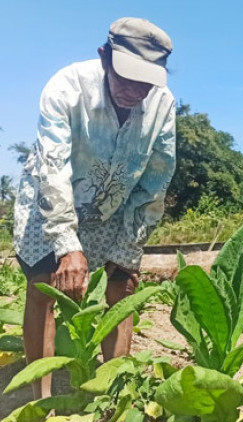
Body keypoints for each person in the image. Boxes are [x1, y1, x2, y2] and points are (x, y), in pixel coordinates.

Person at [13, 17, 176, 398]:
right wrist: (68, 245)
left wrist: (130, 250)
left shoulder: (163, 105)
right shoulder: (66, 88)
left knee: (121, 288)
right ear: (104, 57)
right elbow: (53, 168)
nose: (136, 90)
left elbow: (157, 178)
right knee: (44, 289)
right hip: (49, 203)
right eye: (127, 77)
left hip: (111, 206)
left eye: (146, 81)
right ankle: (43, 403)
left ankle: (113, 396)